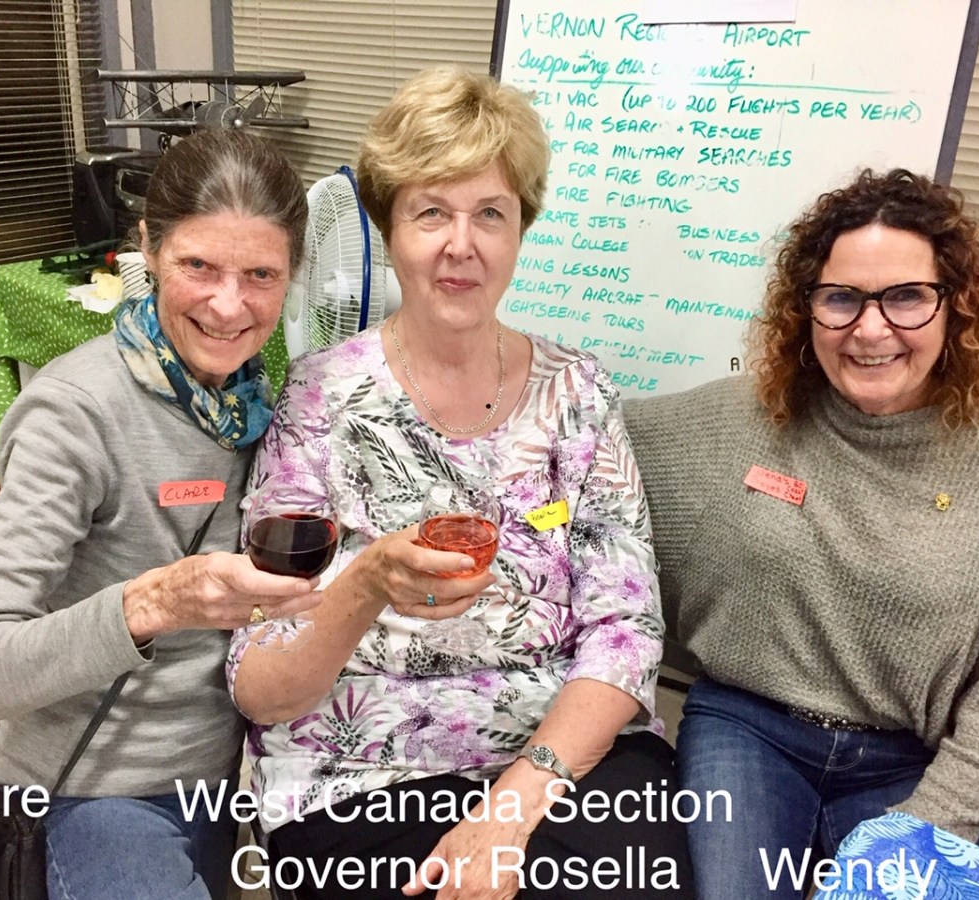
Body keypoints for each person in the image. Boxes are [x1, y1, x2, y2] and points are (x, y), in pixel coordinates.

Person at [227, 66, 694, 899]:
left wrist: (511, 807)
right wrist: (366, 583)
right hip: (360, 765)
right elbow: (260, 683)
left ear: (521, 229)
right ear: (389, 227)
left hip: (560, 752)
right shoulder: (319, 398)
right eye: (431, 212)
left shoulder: (576, 393)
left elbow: (625, 630)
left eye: (490, 214)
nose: (461, 244)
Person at [623, 168, 979, 899]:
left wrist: (926, 832)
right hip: (747, 729)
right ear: (808, 310)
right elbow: (577, 439)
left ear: (957, 307)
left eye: (907, 296)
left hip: (917, 760)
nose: (870, 328)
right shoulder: (739, 422)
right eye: (841, 298)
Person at [0, 129, 320, 899]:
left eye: (260, 274)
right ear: (149, 249)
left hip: (218, 776)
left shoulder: (266, 400)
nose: (229, 305)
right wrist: (152, 602)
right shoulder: (75, 413)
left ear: (292, 274)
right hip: (93, 785)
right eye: (198, 266)